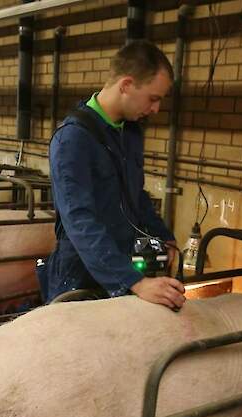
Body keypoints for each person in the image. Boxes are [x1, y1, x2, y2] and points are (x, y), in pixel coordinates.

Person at [41, 40, 186, 310]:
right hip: (81, 273)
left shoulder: (129, 131)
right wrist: (135, 281)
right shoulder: (73, 140)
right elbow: (80, 221)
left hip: (124, 261)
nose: (156, 109)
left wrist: (162, 236)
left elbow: (135, 195)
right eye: (153, 98)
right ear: (127, 85)